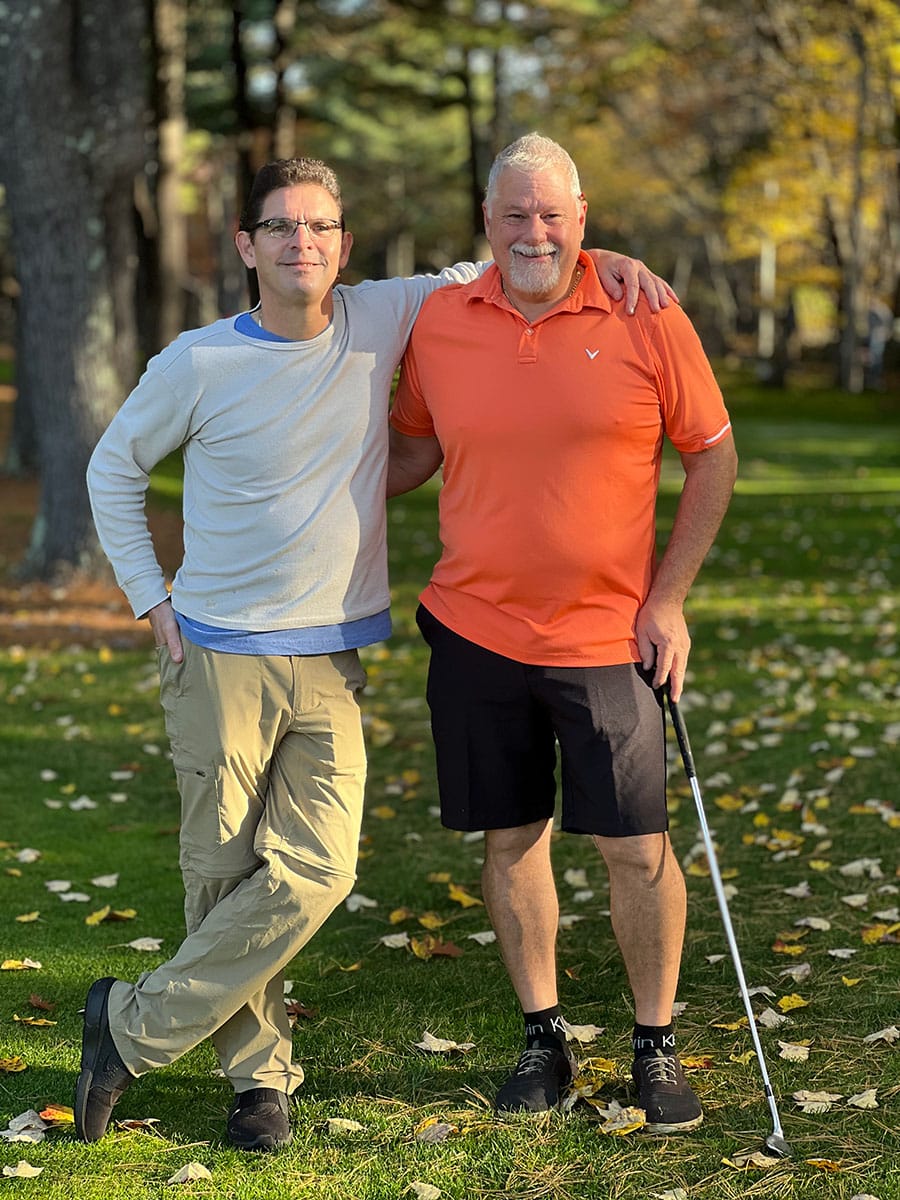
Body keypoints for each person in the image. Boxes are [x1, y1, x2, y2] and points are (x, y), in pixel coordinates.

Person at [79, 155, 673, 1151]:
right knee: (223, 876)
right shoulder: (196, 362)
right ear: (246, 246)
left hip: (332, 659)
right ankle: (258, 1084)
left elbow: (518, 252)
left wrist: (602, 255)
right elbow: (112, 467)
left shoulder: (385, 313)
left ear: (343, 244)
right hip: (219, 654)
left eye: (319, 226)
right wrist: (152, 600)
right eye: (279, 227)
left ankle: (129, 1026)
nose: (301, 243)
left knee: (314, 871)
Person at [388, 133, 738, 1133]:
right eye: (513, 214)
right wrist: (295, 483)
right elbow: (411, 451)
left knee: (636, 848)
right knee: (512, 839)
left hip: (608, 641)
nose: (532, 230)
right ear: (486, 225)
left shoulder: (644, 310)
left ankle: (654, 1044)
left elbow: (712, 458)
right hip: (476, 629)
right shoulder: (443, 322)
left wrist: (668, 599)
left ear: (582, 220)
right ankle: (543, 1037)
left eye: (551, 213)